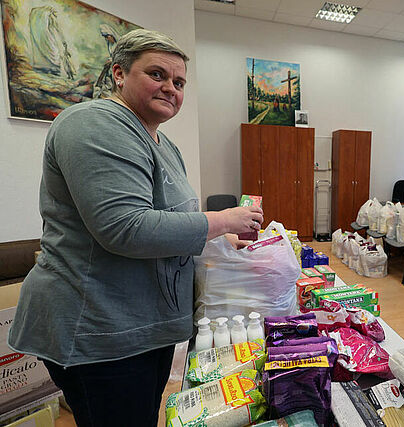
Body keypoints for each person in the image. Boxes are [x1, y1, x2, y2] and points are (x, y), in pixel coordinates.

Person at [8, 29, 263, 426]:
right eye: (157, 74)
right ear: (119, 73)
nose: (170, 88)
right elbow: (125, 227)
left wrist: (219, 237)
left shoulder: (162, 143)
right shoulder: (94, 125)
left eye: (179, 82)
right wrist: (221, 219)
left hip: (143, 326)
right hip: (102, 331)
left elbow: (172, 218)